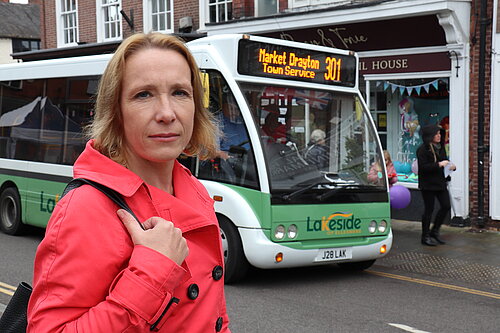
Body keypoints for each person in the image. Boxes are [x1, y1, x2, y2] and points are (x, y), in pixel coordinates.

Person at [28, 33, 230, 332]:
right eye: (143, 95)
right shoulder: (87, 207)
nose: (166, 113)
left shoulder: (193, 188)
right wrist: (153, 271)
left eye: (180, 93)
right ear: (116, 112)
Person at [416, 124, 456, 246]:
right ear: (430, 136)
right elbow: (423, 168)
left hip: (440, 183)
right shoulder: (422, 150)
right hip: (428, 184)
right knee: (429, 209)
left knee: (446, 206)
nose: (439, 136)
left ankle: (435, 231)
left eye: (440, 133)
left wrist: (451, 167)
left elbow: (445, 163)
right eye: (436, 134)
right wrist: (439, 165)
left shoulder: (441, 147)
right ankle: (425, 236)